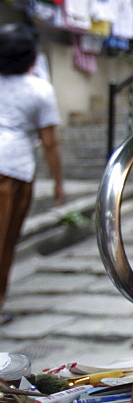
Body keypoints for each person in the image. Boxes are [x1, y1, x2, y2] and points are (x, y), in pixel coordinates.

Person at [0, 23, 65, 325]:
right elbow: (50, 144)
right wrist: (58, 184)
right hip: (13, 168)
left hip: (13, 165)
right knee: (5, 239)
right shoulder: (39, 90)